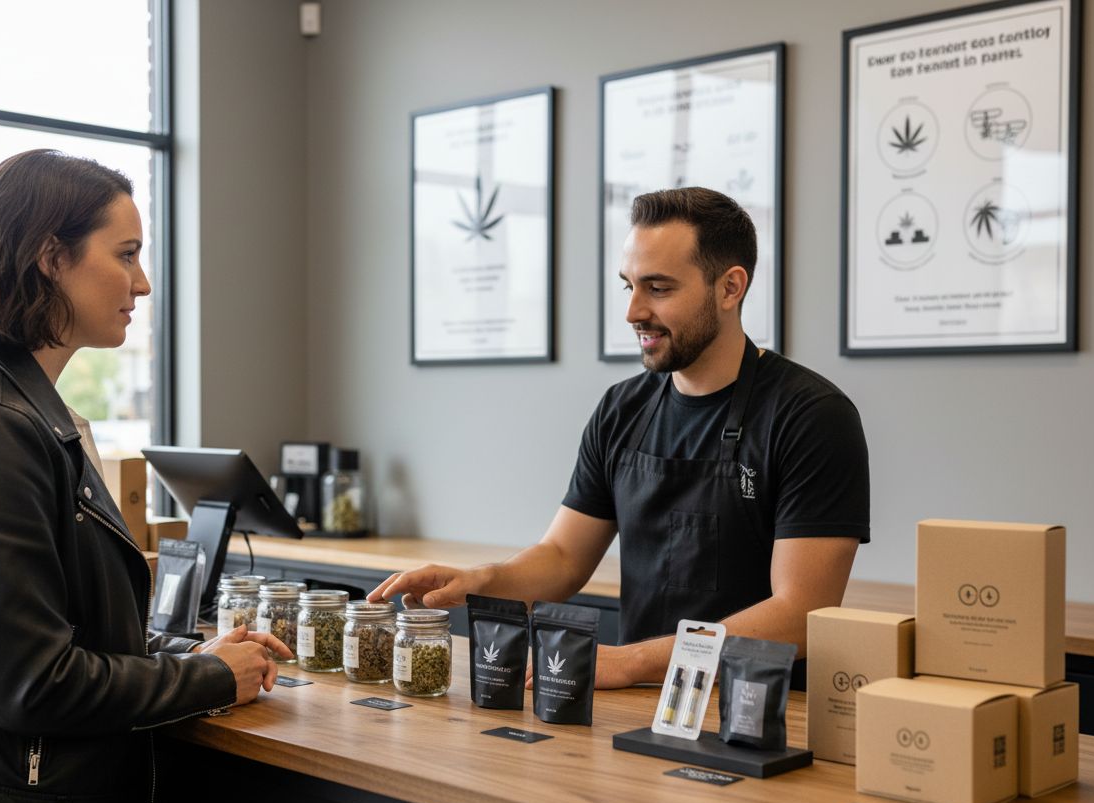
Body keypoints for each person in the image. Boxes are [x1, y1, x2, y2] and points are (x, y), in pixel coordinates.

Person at [0, 149, 291, 803]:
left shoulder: (7, 406)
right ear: (50, 257)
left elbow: (61, 627)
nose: (142, 283)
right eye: (125, 254)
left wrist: (184, 657)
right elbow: (33, 684)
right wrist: (208, 680)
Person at [371, 187, 869, 689]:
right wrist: (481, 581)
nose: (633, 312)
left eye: (658, 288)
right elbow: (563, 558)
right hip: (636, 698)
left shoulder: (811, 417)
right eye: (628, 285)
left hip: (756, 710)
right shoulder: (621, 409)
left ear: (730, 288)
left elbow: (801, 611)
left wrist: (631, 662)